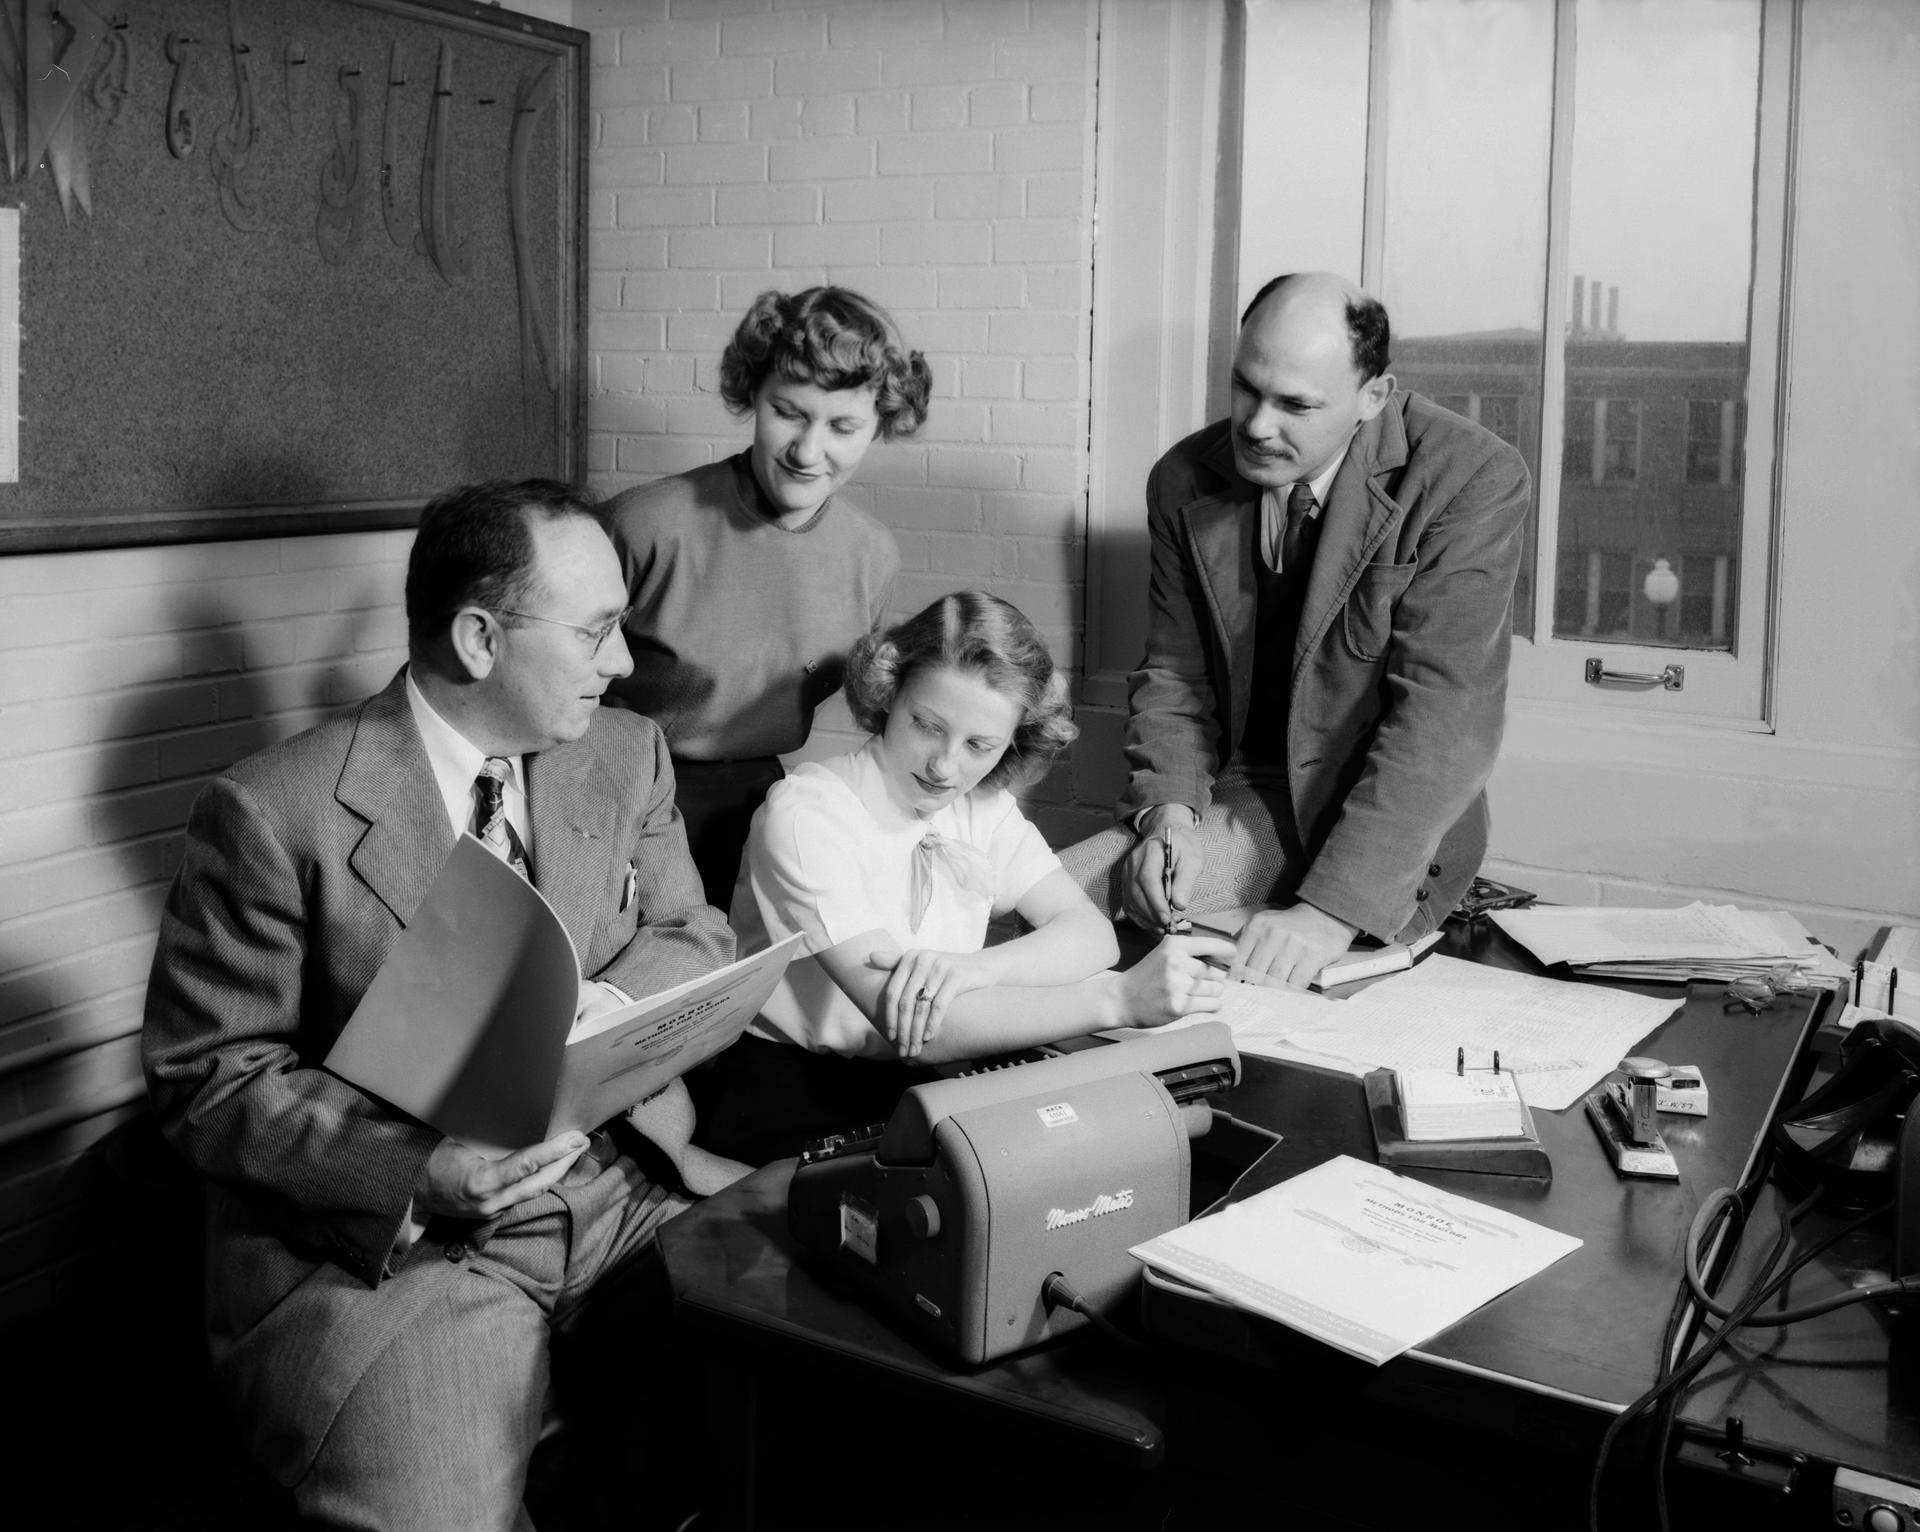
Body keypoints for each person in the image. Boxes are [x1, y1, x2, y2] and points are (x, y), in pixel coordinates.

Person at [141, 480, 735, 1531]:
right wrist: (419, 1170)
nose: (625, 663)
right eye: (598, 631)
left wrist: (597, 1010)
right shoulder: (273, 809)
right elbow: (209, 1075)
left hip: (622, 1188)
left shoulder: (624, 753)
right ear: (477, 636)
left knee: (835, 1413)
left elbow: (691, 934)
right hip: (398, 1250)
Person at [1063, 271, 1529, 988]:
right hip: (1235, 791)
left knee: (1062, 927)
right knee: (1037, 907)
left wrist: (1330, 914)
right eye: (1246, 387)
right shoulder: (1183, 478)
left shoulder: (1470, 477)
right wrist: (1170, 816)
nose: (1254, 425)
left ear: (1374, 397)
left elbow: (1445, 721)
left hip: (1361, 811)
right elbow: (1176, 676)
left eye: (1296, 405)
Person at [695, 591, 1234, 1167]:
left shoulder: (983, 805)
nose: (945, 767)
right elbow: (923, 1032)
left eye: (980, 745)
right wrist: (1119, 998)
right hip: (789, 1096)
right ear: (888, 693)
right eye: (927, 725)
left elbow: (1089, 935)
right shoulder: (806, 815)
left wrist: (974, 969)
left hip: (921, 1083)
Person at [602, 286, 932, 908]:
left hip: (761, 803)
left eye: (843, 426)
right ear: (752, 396)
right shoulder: (643, 525)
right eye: (788, 412)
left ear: (880, 425)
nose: (808, 452)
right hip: (621, 797)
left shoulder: (872, 554)